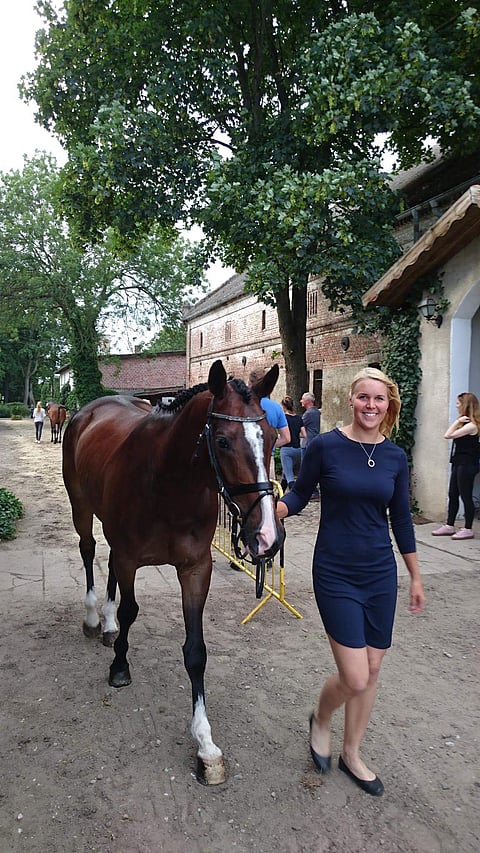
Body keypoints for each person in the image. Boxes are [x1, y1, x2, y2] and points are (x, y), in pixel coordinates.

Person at [276, 367, 425, 797]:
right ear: (351, 400)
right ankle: (320, 719)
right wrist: (274, 511)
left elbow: (401, 519)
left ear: (388, 405)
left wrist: (415, 575)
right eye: (364, 398)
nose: (371, 406)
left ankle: (351, 753)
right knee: (355, 675)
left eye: (379, 399)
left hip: (380, 572)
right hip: (335, 571)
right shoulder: (326, 446)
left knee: (373, 669)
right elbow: (301, 492)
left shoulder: (395, 457)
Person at [432, 392, 480, 540]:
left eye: (459, 403)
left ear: (465, 405)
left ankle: (467, 528)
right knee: (453, 494)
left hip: (467, 464)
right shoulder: (465, 423)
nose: (456, 405)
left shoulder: (472, 426)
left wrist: (457, 421)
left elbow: (448, 435)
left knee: (465, 495)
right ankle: (449, 525)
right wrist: (460, 421)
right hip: (458, 463)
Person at [248, 369, 290, 478]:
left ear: (249, 383)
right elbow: (286, 438)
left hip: (245, 461)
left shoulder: (243, 405)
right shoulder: (276, 407)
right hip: (267, 460)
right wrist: (268, 446)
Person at [279, 396, 306, 491]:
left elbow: (281, 432)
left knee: (289, 476)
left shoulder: (283, 418)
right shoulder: (299, 418)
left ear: (284, 406)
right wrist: (295, 435)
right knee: (285, 474)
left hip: (286, 449)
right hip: (297, 449)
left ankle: (294, 495)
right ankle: (278, 496)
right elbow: (304, 434)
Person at [300, 391, 321, 500]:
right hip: (314, 441)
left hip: (307, 443)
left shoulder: (308, 414)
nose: (301, 401)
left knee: (306, 468)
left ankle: (313, 491)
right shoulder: (317, 412)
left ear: (308, 401)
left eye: (302, 399)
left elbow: (300, 425)